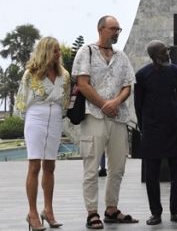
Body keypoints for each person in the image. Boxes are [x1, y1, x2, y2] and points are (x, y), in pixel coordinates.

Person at [72, 16, 138, 230]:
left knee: (117, 167)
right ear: (100, 29)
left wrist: (116, 102)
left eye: (118, 29)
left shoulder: (122, 57)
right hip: (94, 116)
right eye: (113, 29)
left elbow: (128, 84)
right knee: (92, 167)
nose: (116, 32)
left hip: (118, 118)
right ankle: (92, 212)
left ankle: (111, 208)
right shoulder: (86, 52)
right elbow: (82, 83)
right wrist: (103, 104)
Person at [15, 37, 71, 231]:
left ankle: (48, 210)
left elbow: (65, 101)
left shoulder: (64, 75)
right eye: (55, 50)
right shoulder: (30, 74)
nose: (59, 54)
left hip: (55, 118)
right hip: (36, 117)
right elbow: (22, 100)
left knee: (50, 165)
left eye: (59, 51)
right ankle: (32, 213)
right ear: (46, 51)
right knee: (34, 166)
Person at [135, 40, 177, 226]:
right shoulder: (142, 75)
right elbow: (138, 105)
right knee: (152, 176)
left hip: (174, 128)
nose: (166, 55)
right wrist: (145, 127)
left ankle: (176, 212)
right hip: (152, 131)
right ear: (153, 57)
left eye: (167, 51)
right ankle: (155, 213)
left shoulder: (175, 71)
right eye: (162, 53)